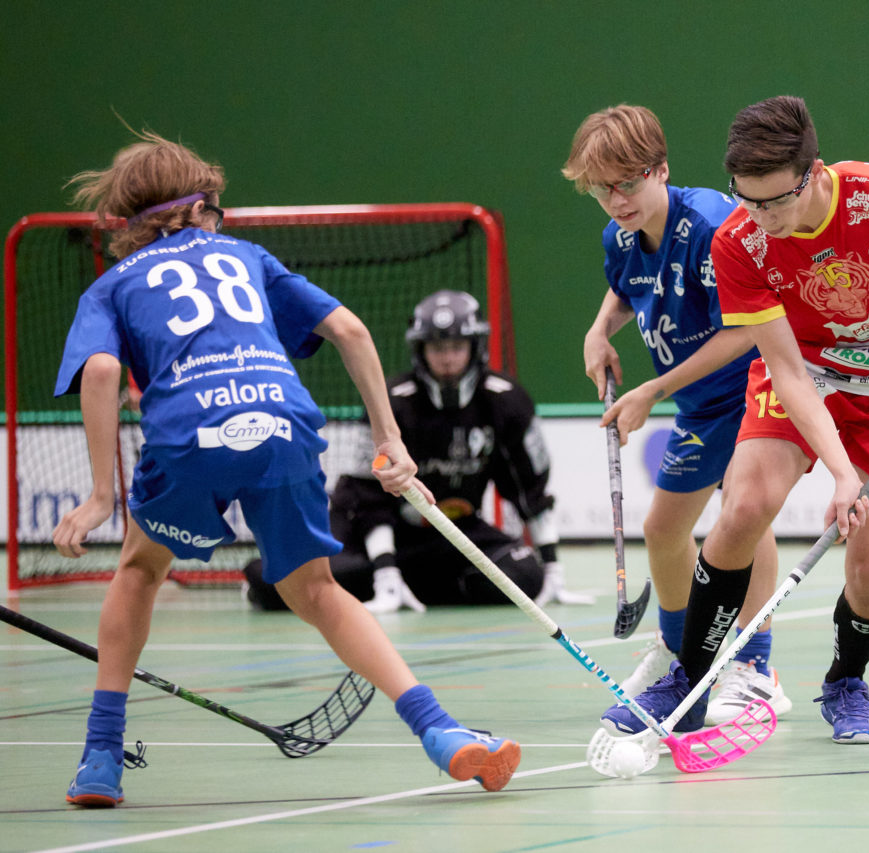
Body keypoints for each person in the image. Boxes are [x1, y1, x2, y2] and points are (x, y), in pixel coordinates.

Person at [52, 131, 519, 806]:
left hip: (190, 434)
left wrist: (102, 495)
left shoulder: (111, 284)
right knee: (318, 591)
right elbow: (351, 331)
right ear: (199, 207)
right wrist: (389, 439)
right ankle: (439, 729)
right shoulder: (247, 256)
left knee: (140, 570)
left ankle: (101, 756)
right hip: (283, 422)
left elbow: (100, 371)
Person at [600, 95, 869, 744]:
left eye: (776, 202)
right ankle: (691, 677)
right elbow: (789, 372)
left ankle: (846, 682)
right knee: (745, 506)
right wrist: (841, 472)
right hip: (809, 369)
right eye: (747, 200)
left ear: (814, 174)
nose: (762, 219)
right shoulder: (738, 240)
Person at [564, 104, 791, 725]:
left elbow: (746, 330)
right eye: (601, 189)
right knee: (664, 529)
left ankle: (755, 667)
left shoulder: (713, 225)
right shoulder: (621, 235)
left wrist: (652, 391)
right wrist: (598, 330)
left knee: (743, 512)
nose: (616, 201)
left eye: (627, 183)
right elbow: (626, 286)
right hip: (699, 401)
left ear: (660, 169)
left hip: (751, 385)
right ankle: (676, 650)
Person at [242, 289, 593, 613]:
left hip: (451, 529)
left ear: (475, 347)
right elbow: (368, 497)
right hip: (371, 531)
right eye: (437, 348)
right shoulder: (392, 401)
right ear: (420, 350)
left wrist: (553, 571)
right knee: (287, 582)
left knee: (524, 575)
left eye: (457, 346)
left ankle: (408, 582)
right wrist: (385, 572)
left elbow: (530, 488)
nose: (447, 358)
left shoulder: (507, 401)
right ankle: (385, 580)